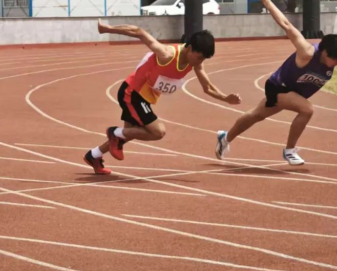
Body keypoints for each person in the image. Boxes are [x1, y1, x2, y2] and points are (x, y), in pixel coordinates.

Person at [215, 0, 337, 165]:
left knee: (256, 115)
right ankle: (289, 151)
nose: (336, 63)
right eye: (334, 59)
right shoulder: (307, 52)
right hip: (278, 87)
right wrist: (266, 1)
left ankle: (225, 138)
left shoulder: (336, 57)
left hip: (293, 93)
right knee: (307, 109)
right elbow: (286, 25)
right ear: (324, 51)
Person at [84, 20, 241, 174]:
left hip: (144, 98)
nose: (201, 61)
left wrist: (226, 98)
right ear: (189, 48)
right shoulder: (167, 54)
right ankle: (114, 132)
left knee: (129, 134)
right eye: (200, 57)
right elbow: (139, 32)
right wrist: (108, 29)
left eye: (204, 59)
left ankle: (94, 155)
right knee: (157, 132)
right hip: (132, 93)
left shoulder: (196, 63)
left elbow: (207, 88)